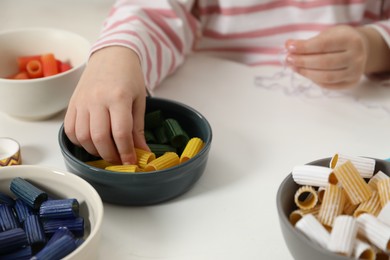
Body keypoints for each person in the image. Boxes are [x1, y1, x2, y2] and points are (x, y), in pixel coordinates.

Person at [64, 0, 390, 165]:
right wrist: (119, 52)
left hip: (356, 116)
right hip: (227, 121)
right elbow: (154, 10)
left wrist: (374, 46)